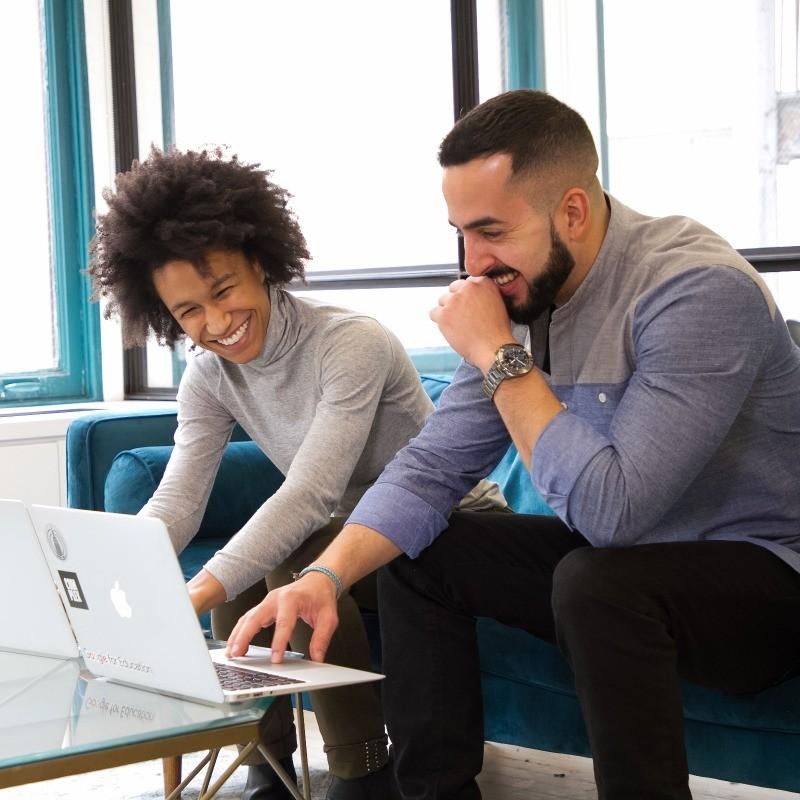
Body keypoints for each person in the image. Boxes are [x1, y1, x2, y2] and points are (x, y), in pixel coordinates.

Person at [225, 89, 800, 800]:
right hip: (622, 568)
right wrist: (325, 577)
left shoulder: (696, 290)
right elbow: (432, 467)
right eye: (461, 232)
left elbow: (612, 514)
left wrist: (499, 353)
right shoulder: (525, 294)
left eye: (491, 230)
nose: (473, 260)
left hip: (763, 586)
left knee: (595, 582)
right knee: (423, 552)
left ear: (573, 211)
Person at [88, 146, 505, 800]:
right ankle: (266, 764)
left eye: (223, 290)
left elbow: (311, 494)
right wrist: (114, 573)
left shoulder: (351, 343)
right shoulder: (208, 377)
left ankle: (362, 773)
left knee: (280, 563)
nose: (216, 322)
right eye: (189, 312)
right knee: (245, 570)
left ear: (260, 262)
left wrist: (191, 594)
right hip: (351, 539)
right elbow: (178, 502)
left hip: (448, 530)